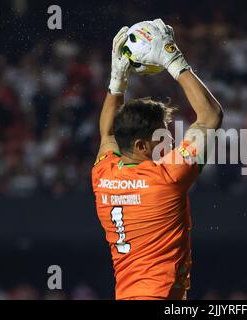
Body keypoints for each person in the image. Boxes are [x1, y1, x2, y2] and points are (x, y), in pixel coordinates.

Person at [91, 19, 223, 300]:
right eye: (161, 137)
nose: (171, 142)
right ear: (140, 145)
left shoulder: (103, 174)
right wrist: (172, 58)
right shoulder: (167, 179)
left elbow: (106, 131)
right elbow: (210, 117)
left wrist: (117, 80)